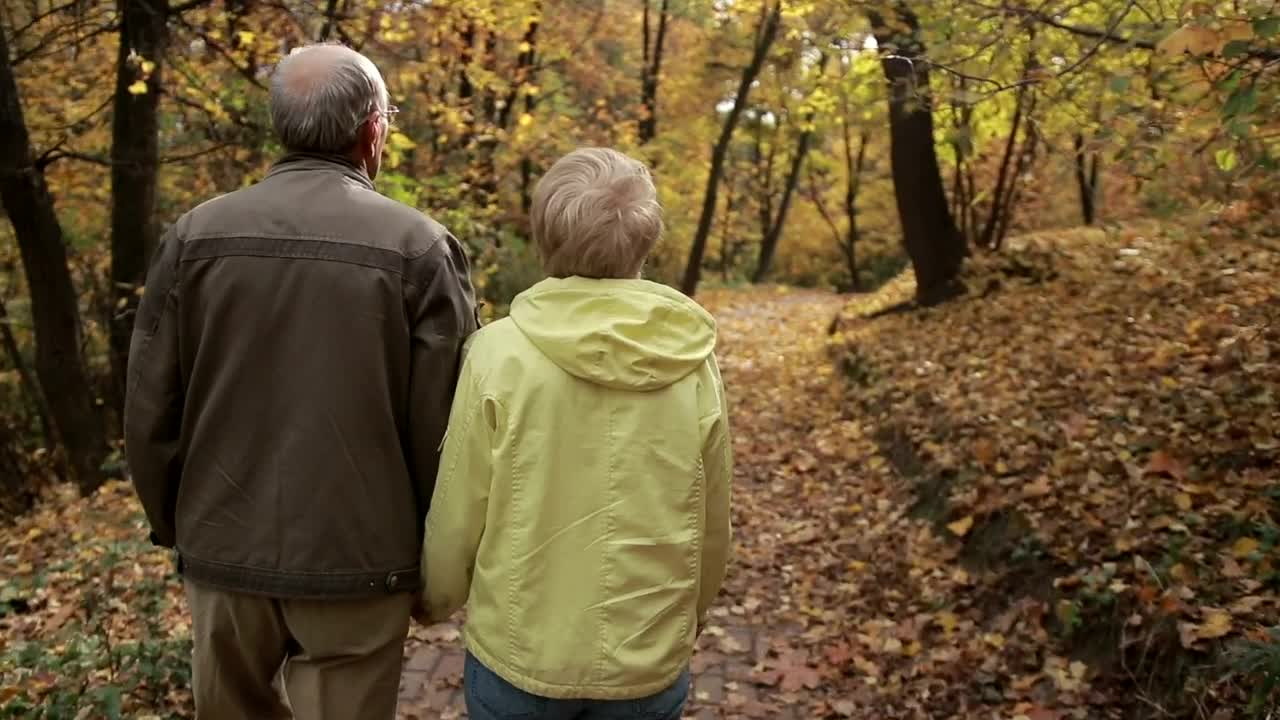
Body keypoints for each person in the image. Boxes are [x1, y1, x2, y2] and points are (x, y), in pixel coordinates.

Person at [124, 43, 477, 719]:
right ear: (373, 129)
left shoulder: (194, 237)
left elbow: (149, 408)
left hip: (222, 546)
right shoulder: (421, 249)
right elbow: (446, 430)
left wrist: (177, 522)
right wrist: (436, 561)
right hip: (361, 563)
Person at [420, 147, 733, 720]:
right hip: (646, 653)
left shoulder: (498, 353)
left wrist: (435, 598)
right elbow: (711, 511)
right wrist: (697, 610)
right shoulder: (691, 360)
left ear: (545, 237)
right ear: (647, 239)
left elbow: (460, 501)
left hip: (521, 654)